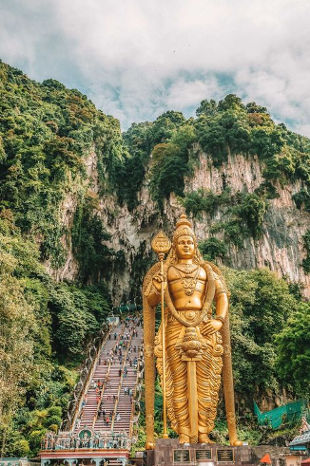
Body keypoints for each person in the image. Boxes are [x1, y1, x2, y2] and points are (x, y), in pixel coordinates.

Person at [143, 214, 241, 446]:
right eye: (181, 242)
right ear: (174, 246)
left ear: (195, 245)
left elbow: (222, 296)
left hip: (204, 326)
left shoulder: (206, 270)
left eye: (190, 242)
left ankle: (204, 431)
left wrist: (218, 320)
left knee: (206, 380)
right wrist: (159, 284)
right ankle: (184, 432)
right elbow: (150, 299)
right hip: (176, 328)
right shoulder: (166, 269)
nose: (186, 245)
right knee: (178, 382)